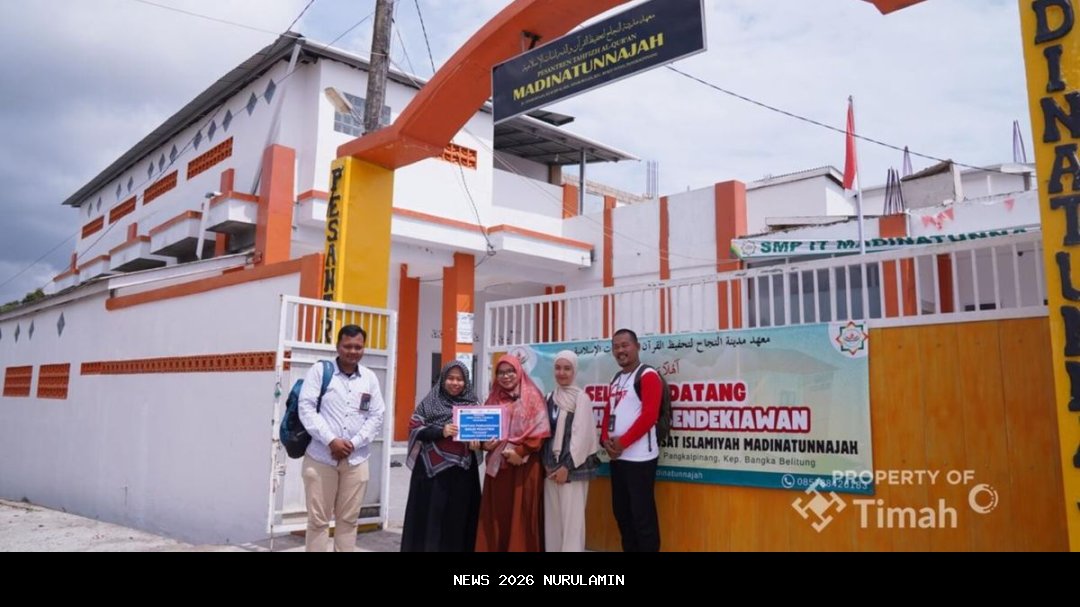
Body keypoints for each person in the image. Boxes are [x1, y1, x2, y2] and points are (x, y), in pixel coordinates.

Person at [298, 324, 386, 552]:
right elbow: (306, 407)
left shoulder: (369, 378)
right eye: (348, 346)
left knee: (348, 520)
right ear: (338, 346)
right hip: (320, 458)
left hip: (356, 461)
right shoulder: (320, 371)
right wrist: (331, 441)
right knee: (318, 521)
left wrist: (353, 443)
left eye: (358, 347)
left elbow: (377, 415)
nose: (353, 351)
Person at [401, 360, 482, 551]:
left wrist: (478, 441)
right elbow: (414, 430)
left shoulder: (474, 405)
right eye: (450, 378)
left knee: (459, 519)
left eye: (460, 379)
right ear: (442, 380)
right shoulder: (430, 402)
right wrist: (441, 431)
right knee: (431, 519)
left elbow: (484, 431)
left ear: (466, 382)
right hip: (431, 474)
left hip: (463, 473)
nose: (455, 383)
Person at [475, 354, 550, 552]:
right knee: (498, 514)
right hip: (499, 468)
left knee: (521, 514)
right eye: (501, 372)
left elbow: (540, 431)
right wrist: (485, 445)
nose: (506, 376)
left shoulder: (533, 395)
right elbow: (484, 431)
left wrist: (520, 451)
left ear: (519, 371)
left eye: (510, 371)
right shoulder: (492, 397)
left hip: (524, 466)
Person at [600, 328, 661, 552]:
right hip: (618, 459)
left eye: (625, 345)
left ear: (637, 346)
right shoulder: (617, 378)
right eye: (616, 347)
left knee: (642, 516)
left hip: (641, 460)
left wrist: (623, 443)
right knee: (622, 513)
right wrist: (605, 439)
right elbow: (609, 411)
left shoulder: (648, 375)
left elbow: (649, 416)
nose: (620, 350)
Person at [541, 350, 600, 552]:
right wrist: (547, 464)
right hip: (550, 469)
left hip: (573, 470)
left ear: (574, 370)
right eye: (558, 368)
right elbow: (543, 434)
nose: (562, 373)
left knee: (572, 524)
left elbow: (582, 437)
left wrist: (566, 467)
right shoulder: (549, 398)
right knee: (553, 523)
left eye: (567, 368)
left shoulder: (581, 398)